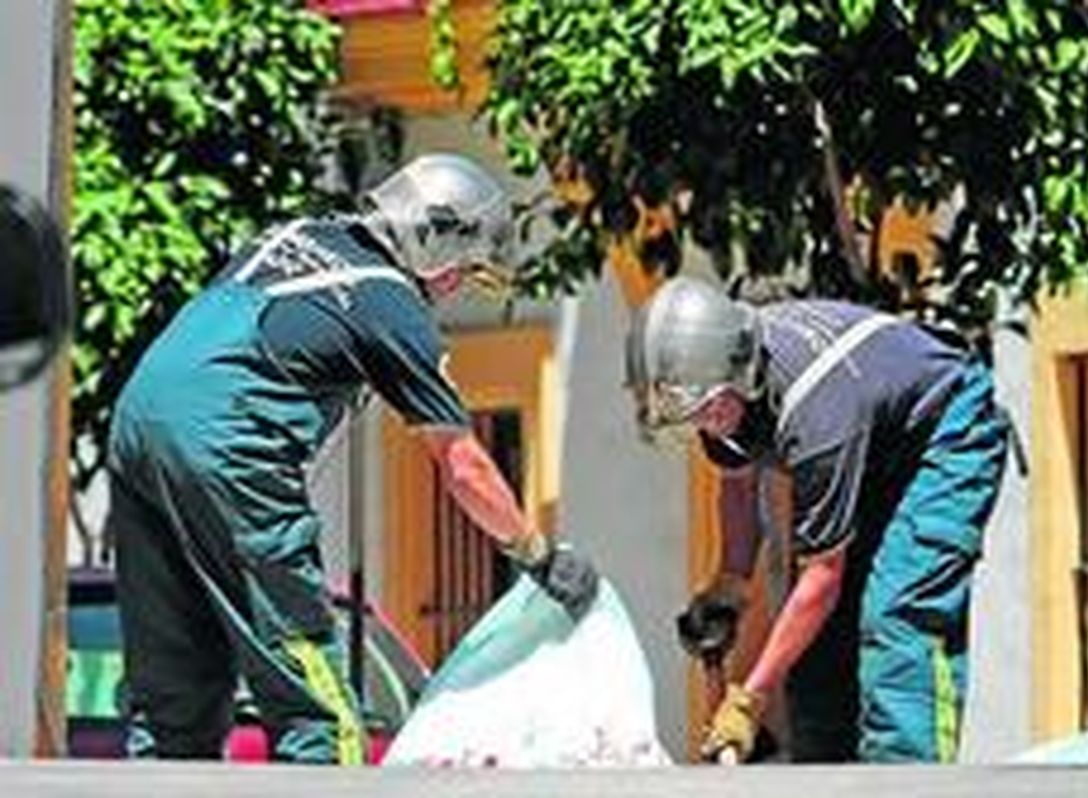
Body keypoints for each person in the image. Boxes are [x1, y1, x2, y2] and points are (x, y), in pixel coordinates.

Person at [107, 153, 598, 763]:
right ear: (431, 236)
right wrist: (536, 554)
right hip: (231, 442)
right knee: (320, 712)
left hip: (136, 422)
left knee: (172, 707)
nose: (452, 289)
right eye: (459, 271)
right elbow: (464, 466)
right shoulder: (390, 304)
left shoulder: (294, 234)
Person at [626, 276, 1008, 763]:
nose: (704, 424)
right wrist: (731, 582)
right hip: (876, 446)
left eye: (707, 410)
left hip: (949, 428)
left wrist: (747, 701)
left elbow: (822, 579)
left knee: (899, 617)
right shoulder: (721, 394)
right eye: (691, 417)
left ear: (737, 373)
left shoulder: (814, 413)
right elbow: (738, 483)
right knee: (817, 653)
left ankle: (910, 782)